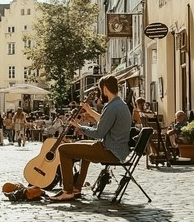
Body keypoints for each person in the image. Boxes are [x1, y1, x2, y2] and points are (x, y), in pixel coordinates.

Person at [50, 74, 132, 202]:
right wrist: (88, 110)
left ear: (104, 89)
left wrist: (80, 127)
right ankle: (77, 188)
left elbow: (99, 133)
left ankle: (68, 191)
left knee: (63, 149)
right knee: (82, 144)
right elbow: (104, 120)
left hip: (110, 151)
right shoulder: (120, 104)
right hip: (118, 149)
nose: (100, 94)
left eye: (100, 91)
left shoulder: (111, 107)